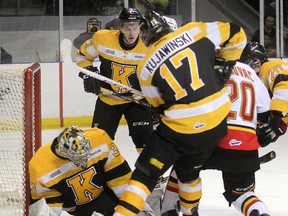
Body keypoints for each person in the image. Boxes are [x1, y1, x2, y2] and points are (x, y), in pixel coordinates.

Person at [112, 10, 247, 216]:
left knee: (145, 175)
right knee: (189, 174)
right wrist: (225, 63)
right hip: (217, 123)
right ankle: (190, 213)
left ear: (146, 37)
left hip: (181, 131)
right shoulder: (194, 30)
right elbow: (237, 32)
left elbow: (158, 105)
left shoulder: (145, 66)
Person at [161, 54, 283, 216]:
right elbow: (264, 114)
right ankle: (260, 212)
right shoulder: (250, 73)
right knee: (242, 194)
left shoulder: (206, 64)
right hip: (245, 143)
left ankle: (170, 209)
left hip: (211, 137)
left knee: (183, 168)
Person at [75, 8, 153, 154]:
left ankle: (149, 177)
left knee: (145, 143)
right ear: (120, 27)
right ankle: (102, 176)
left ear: (140, 28)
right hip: (108, 99)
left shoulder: (149, 46)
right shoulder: (103, 39)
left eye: (135, 28)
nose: (131, 33)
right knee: (97, 145)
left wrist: (155, 96)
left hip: (136, 100)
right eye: (128, 28)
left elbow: (160, 71)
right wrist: (89, 74)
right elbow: (82, 57)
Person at [29, 126, 132, 216]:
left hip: (105, 189)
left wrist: (131, 203)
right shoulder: (41, 167)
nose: (85, 160)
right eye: (79, 157)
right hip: (78, 206)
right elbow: (49, 206)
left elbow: (120, 177)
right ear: (64, 154)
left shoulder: (100, 139)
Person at [241, 42, 288, 126]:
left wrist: (276, 118)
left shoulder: (270, 66)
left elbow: (285, 85)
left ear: (257, 61)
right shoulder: (258, 78)